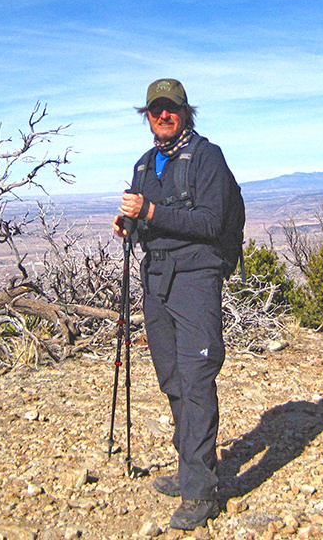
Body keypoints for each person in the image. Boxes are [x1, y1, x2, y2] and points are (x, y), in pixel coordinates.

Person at [112, 78, 234, 531]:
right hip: (157, 278)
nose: (162, 116)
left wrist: (149, 213)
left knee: (198, 377)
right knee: (172, 378)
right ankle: (189, 468)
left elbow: (209, 221)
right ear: (146, 115)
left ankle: (201, 490)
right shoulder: (145, 164)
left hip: (196, 277)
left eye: (171, 109)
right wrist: (130, 225)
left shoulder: (207, 157)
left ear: (186, 112)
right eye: (154, 110)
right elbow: (148, 222)